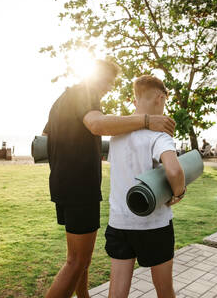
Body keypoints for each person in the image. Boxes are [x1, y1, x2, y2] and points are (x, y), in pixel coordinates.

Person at [42, 60, 176, 298]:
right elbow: (96, 124)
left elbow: (48, 134)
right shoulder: (84, 94)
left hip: (62, 185)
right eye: (108, 81)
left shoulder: (61, 101)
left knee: (80, 259)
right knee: (76, 262)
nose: (110, 87)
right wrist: (147, 121)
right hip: (80, 188)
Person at [106, 75, 186, 298]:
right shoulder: (159, 134)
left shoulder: (117, 133)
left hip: (119, 223)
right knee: (164, 292)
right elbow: (174, 171)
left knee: (117, 294)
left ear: (135, 100)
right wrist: (179, 192)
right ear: (161, 98)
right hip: (154, 226)